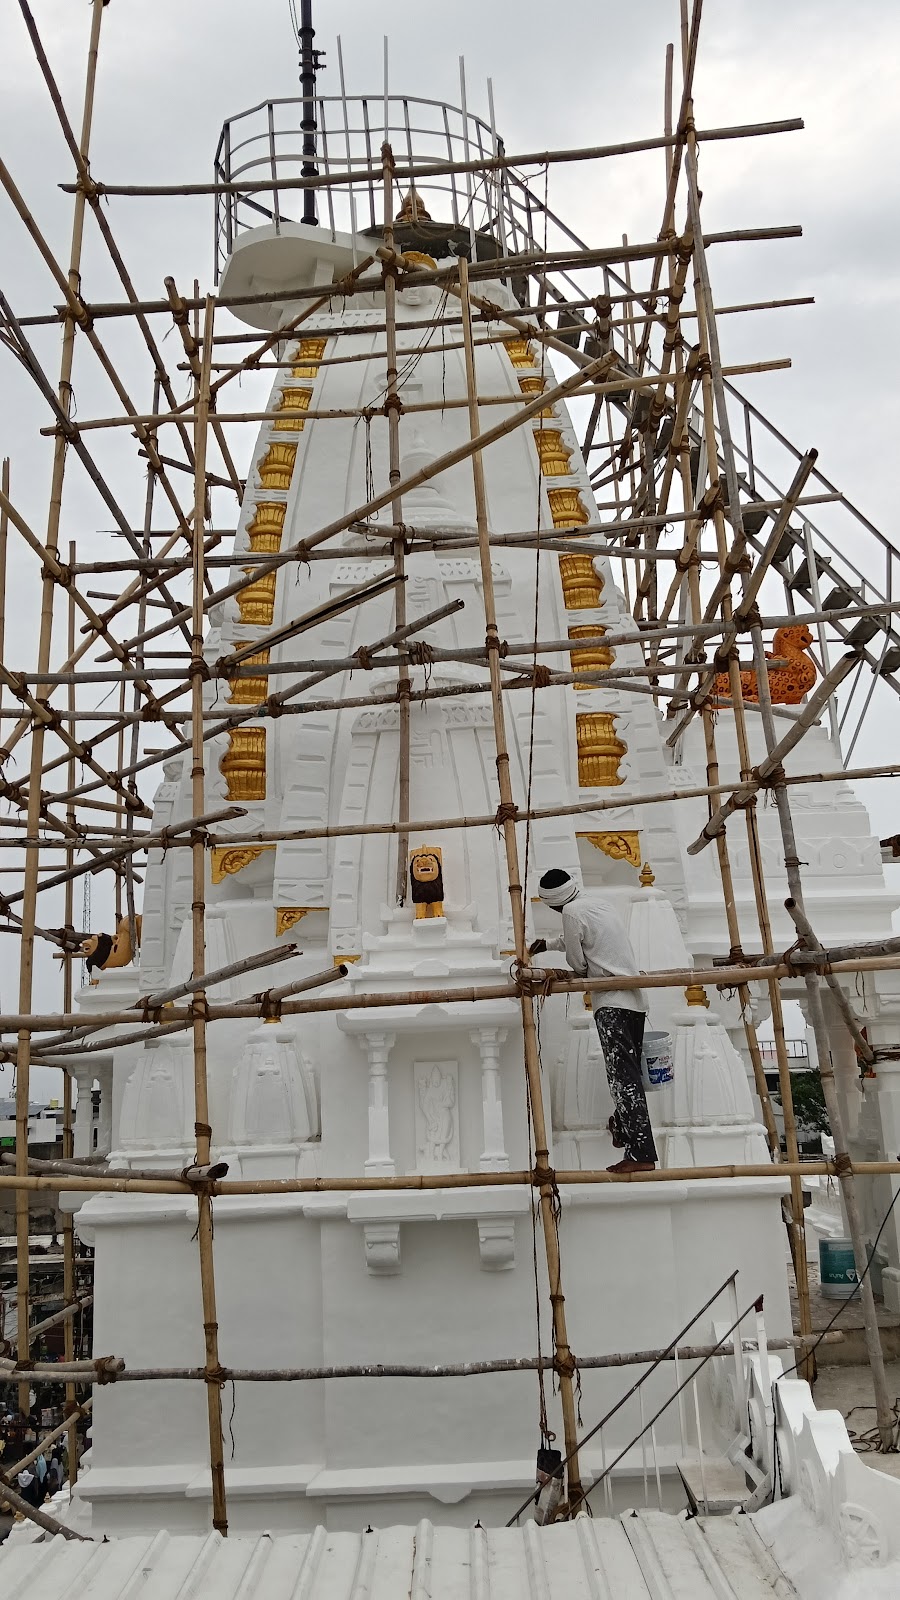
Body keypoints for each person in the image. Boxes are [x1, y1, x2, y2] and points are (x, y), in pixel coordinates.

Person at [530, 867, 658, 1174]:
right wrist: (547, 944)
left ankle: (641, 1155)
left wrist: (566, 964)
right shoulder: (596, 903)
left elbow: (578, 961)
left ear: (552, 903)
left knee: (622, 1079)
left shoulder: (571, 912)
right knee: (629, 1075)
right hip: (635, 1000)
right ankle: (625, 1129)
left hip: (611, 1002)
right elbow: (590, 938)